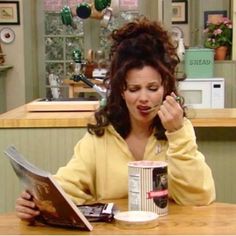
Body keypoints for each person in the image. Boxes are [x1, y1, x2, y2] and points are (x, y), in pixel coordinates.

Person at [15, 17, 215, 221]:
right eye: (134, 89)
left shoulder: (179, 130)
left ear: (166, 88)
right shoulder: (102, 135)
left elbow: (199, 196)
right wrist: (38, 201)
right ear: (121, 90)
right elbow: (69, 185)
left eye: (153, 88)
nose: (144, 98)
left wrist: (177, 133)